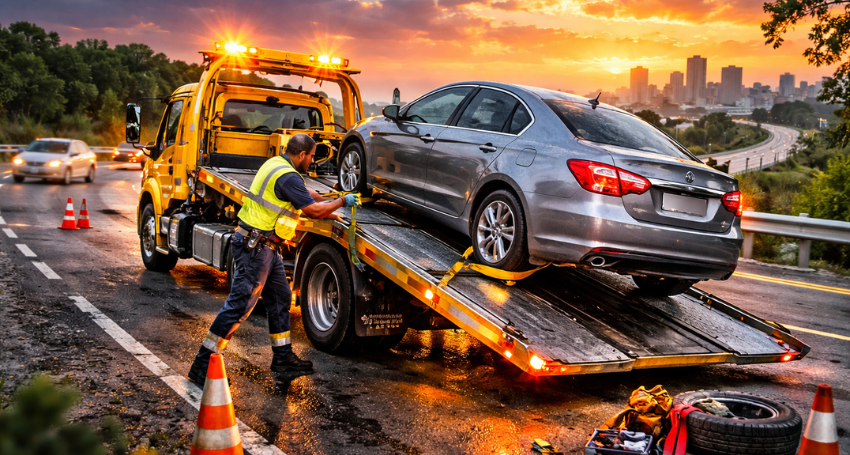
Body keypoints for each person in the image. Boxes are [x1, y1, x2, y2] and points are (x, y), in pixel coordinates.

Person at [188, 133, 359, 385]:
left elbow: (306, 193)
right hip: (255, 248)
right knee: (238, 307)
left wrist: (330, 200)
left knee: (280, 299)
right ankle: (203, 364)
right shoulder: (288, 176)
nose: (313, 161)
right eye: (312, 156)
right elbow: (311, 210)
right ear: (302, 155)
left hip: (266, 247)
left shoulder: (276, 165)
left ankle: (283, 357)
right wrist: (342, 202)